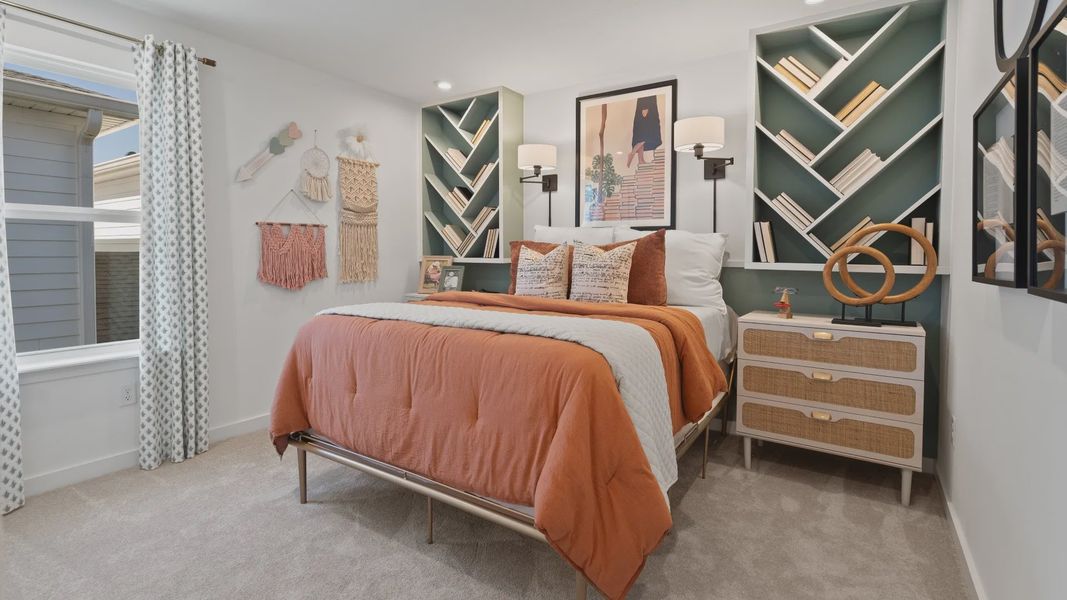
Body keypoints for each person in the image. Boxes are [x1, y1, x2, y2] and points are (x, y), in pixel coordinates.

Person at [628, 95, 663, 168]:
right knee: (646, 132)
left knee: (641, 134)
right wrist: (645, 107)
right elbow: (645, 94)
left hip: (647, 106)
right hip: (647, 107)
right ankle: (632, 153)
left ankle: (640, 159)